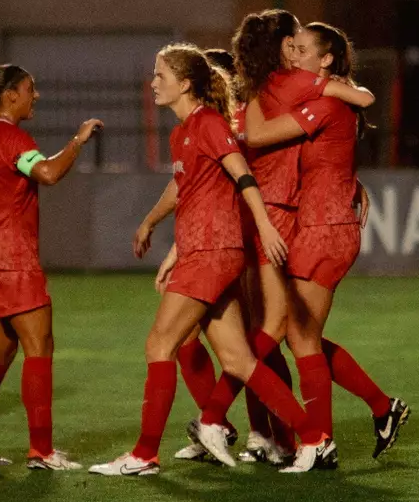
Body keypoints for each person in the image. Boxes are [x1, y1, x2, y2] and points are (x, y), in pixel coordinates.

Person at [90, 44, 336, 476]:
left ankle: (144, 455)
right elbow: (186, 188)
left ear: (185, 83)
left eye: (160, 75)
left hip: (210, 252)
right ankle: (315, 440)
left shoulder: (207, 123)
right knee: (240, 361)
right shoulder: (182, 132)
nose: (153, 83)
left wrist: (264, 225)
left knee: (159, 345)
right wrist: (152, 223)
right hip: (205, 251)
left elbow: (243, 173)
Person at [243, 22, 410, 458]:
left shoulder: (326, 102)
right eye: (292, 47)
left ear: (327, 59)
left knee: (297, 337)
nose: (295, 56)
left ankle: (316, 442)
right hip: (320, 225)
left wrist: (255, 89)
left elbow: (257, 136)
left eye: (303, 49)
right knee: (303, 336)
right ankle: (380, 409)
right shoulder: (325, 98)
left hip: (326, 229)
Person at [0, 64, 100, 471]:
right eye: (30, 89)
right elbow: (47, 173)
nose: (36, 96)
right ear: (11, 95)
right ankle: (42, 451)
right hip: (9, 259)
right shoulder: (12, 137)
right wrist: (77, 141)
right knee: (39, 347)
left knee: (0, 350)